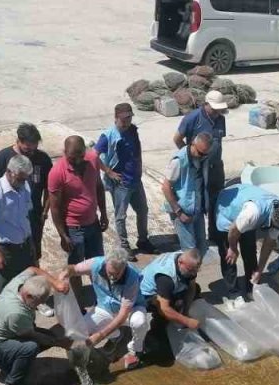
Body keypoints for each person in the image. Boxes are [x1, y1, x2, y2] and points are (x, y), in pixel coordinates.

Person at [0, 266, 70, 385]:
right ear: (28, 295)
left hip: (9, 334)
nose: (39, 305)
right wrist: (60, 343)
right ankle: (13, 383)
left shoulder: (18, 284)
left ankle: (14, 362)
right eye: (39, 301)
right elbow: (32, 335)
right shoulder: (16, 312)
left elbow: (33, 269)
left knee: (50, 336)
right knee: (30, 347)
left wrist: (55, 282)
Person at [67, 247, 147, 370]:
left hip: (130, 310)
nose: (112, 277)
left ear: (124, 267)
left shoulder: (132, 277)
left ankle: (135, 350)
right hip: (105, 308)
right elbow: (72, 269)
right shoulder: (96, 263)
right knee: (78, 331)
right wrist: (62, 277)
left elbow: (122, 315)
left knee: (139, 322)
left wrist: (99, 336)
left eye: (117, 274)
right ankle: (115, 335)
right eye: (110, 273)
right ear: (105, 263)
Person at [213, 183, 279, 292]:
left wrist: (259, 270)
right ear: (273, 217)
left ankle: (251, 286)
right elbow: (233, 230)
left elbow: (268, 244)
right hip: (228, 207)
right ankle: (233, 291)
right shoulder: (252, 214)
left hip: (248, 211)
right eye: (275, 226)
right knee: (229, 257)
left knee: (250, 252)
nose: (277, 229)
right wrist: (233, 248)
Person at [95, 103, 154, 258]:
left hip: (136, 180)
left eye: (129, 118)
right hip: (121, 183)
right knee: (121, 216)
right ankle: (124, 245)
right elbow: (93, 156)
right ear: (116, 118)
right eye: (124, 119)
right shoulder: (108, 136)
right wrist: (109, 172)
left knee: (143, 210)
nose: (127, 121)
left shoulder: (133, 130)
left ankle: (143, 240)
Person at [0, 123, 53, 261]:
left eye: (33, 149)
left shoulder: (43, 159)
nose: (30, 153)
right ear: (18, 141)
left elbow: (49, 188)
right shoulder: (3, 158)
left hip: (33, 217)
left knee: (33, 255)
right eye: (27, 149)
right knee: (11, 257)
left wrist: (44, 212)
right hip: (8, 220)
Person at [174, 89, 230, 238]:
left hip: (216, 167)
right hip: (198, 168)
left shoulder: (220, 119)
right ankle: (195, 233)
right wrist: (190, 157)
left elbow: (219, 141)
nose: (217, 112)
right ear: (206, 104)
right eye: (214, 109)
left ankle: (214, 231)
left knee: (217, 198)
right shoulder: (192, 118)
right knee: (198, 199)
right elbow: (177, 139)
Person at [0, 154, 35, 296]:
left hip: (24, 248)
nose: (23, 181)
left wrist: (31, 243)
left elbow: (25, 217)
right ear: (9, 172)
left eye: (25, 178)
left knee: (25, 289)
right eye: (20, 178)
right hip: (4, 251)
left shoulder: (24, 186)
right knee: (5, 294)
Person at [48, 135, 109, 267]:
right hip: (73, 229)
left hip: (93, 224)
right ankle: (77, 288)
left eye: (80, 156)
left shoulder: (93, 160)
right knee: (75, 267)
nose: (76, 161)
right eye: (72, 158)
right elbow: (55, 207)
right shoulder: (57, 172)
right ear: (64, 152)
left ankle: (98, 288)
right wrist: (63, 235)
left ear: (85, 151)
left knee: (97, 265)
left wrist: (103, 214)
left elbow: (98, 187)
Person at [161, 132, 213, 253]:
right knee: (190, 251)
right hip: (183, 212)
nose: (202, 157)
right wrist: (178, 212)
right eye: (200, 153)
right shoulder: (179, 161)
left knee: (201, 248)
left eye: (205, 154)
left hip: (197, 210)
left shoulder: (203, 157)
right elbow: (166, 187)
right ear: (193, 144)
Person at [139, 248, 204, 333]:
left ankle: (178, 315)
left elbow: (191, 287)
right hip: (147, 295)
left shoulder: (186, 261)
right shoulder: (166, 278)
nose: (193, 273)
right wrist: (187, 321)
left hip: (167, 287)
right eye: (190, 270)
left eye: (195, 270)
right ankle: (155, 336)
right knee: (166, 312)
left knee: (196, 289)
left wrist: (186, 311)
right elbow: (164, 309)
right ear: (180, 262)